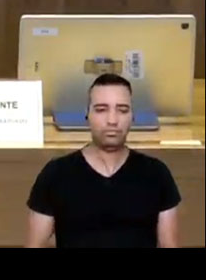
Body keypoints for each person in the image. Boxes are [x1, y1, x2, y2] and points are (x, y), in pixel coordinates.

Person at [26, 73, 180, 247]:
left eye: (122, 110)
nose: (112, 120)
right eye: (101, 110)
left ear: (132, 116)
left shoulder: (156, 174)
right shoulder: (56, 174)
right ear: (87, 115)